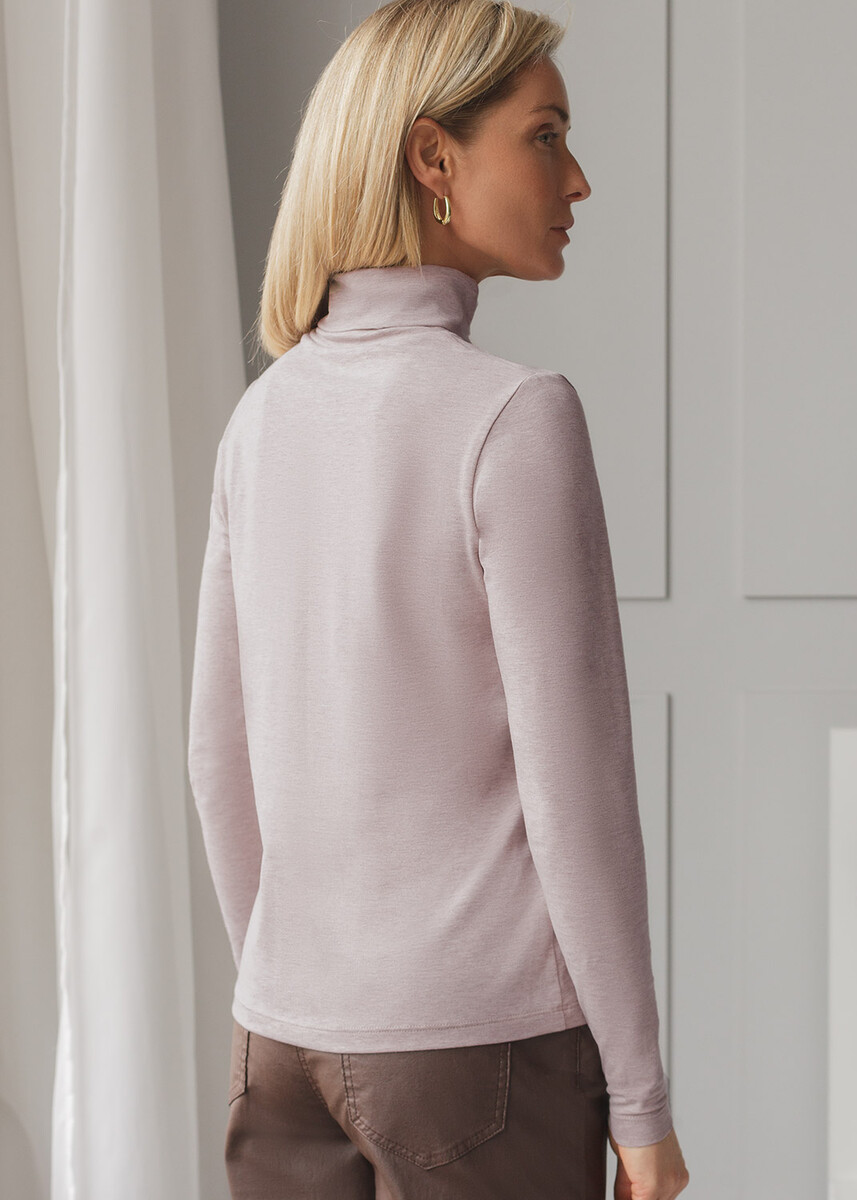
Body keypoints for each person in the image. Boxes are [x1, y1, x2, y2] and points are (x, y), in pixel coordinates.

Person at [187, 1, 690, 1197]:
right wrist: (641, 1102)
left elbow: (218, 756)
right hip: (482, 1057)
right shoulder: (514, 418)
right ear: (432, 158)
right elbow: (577, 792)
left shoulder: (260, 420)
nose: (577, 178)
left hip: (280, 1047)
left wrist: (303, 988)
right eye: (544, 136)